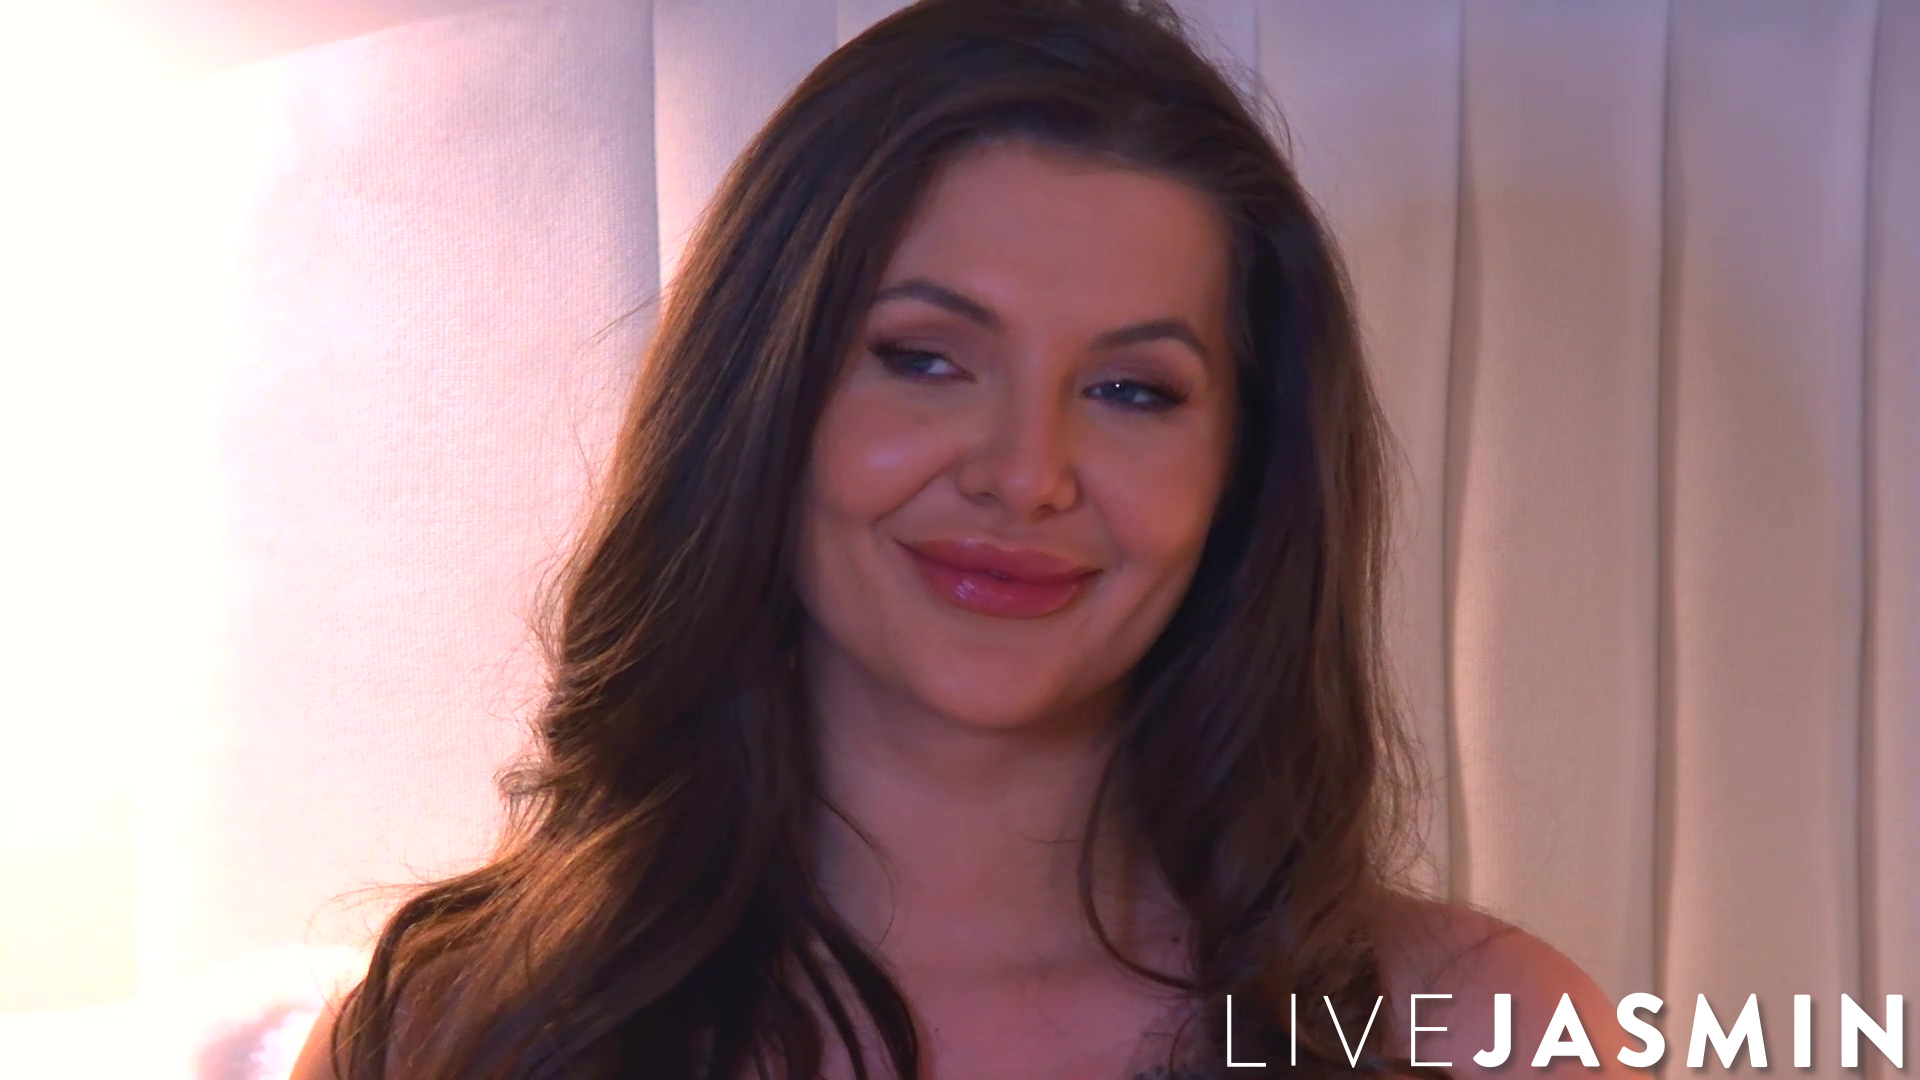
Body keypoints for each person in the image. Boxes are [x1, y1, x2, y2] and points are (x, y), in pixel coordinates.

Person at [293, 0, 1632, 1076]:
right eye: (925, 359)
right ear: (765, 399)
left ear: (1244, 473)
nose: (1025, 475)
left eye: (1132, 390)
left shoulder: (1482, 1033)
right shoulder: (446, 1034)